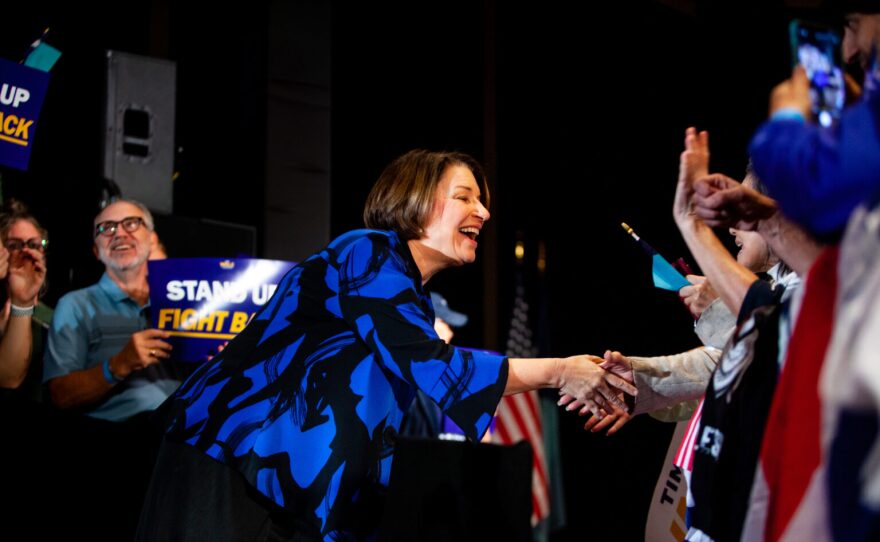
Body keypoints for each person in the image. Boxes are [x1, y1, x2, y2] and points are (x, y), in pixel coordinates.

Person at [136, 149, 637, 541]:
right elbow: (436, 368)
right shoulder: (368, 252)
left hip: (287, 494)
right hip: (233, 467)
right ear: (416, 200)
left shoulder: (411, 298)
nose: (483, 211)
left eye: (481, 200)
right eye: (464, 196)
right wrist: (560, 371)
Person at [43, 198, 177, 421]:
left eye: (131, 223)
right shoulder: (76, 305)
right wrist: (118, 364)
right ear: (96, 250)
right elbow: (60, 395)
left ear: (151, 239)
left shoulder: (181, 300)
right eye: (107, 228)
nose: (119, 234)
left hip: (182, 438)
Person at [0, 200, 50, 398]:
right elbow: (6, 378)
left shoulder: (53, 316)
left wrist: (22, 302)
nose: (26, 252)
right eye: (15, 245)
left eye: (34, 244)